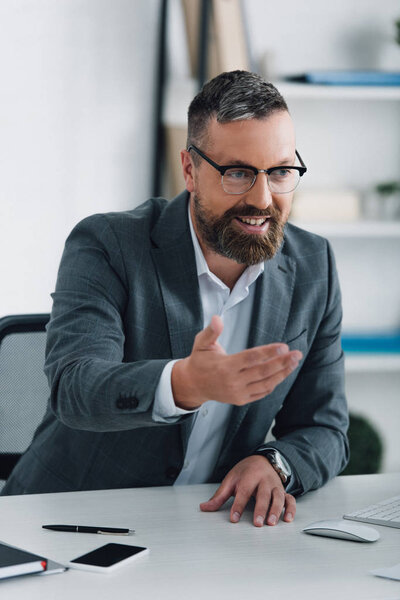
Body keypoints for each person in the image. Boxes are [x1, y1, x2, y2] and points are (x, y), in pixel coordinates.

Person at [2, 70, 349, 528]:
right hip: (69, 519)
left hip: (207, 527)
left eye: (281, 172)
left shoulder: (313, 264)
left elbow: (325, 429)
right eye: (238, 173)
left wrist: (276, 464)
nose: (263, 198)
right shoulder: (108, 244)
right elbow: (75, 388)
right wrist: (184, 383)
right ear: (189, 169)